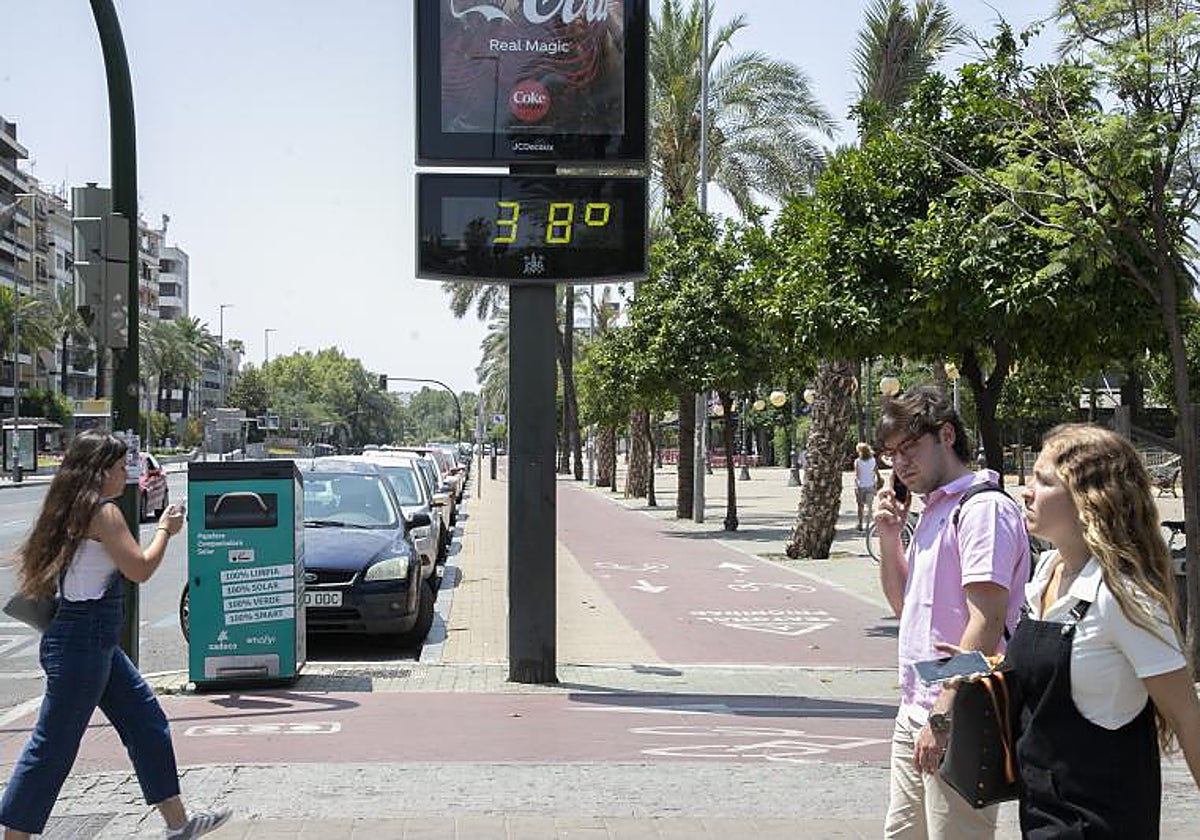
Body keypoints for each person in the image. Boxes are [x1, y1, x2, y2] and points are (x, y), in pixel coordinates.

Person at [0, 431, 230, 839]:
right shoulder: (103, 513)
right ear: (100, 470)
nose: (127, 474)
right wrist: (164, 529)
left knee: (145, 721)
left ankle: (179, 824)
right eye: (121, 467)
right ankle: (14, 834)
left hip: (90, 640)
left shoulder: (68, 506)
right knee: (52, 746)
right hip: (83, 642)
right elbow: (139, 569)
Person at [1008, 424, 1200, 835]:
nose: (1026, 491)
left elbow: (1186, 715)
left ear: (1089, 500)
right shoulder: (1047, 571)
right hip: (1041, 814)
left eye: (1043, 481)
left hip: (1102, 821)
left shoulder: (1124, 597)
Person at [873, 386, 1030, 839]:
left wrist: (943, 713)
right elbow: (906, 608)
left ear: (946, 435)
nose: (900, 463)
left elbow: (988, 622)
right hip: (916, 709)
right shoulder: (936, 508)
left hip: (961, 711)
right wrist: (889, 537)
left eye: (910, 447)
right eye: (892, 453)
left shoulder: (982, 510)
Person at [854, 442, 880, 531]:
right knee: (869, 506)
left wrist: (856, 485)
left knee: (860, 506)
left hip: (861, 485)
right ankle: (869, 524)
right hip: (870, 485)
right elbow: (876, 471)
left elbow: (857, 475)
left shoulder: (858, 461)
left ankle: (860, 524)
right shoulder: (873, 460)